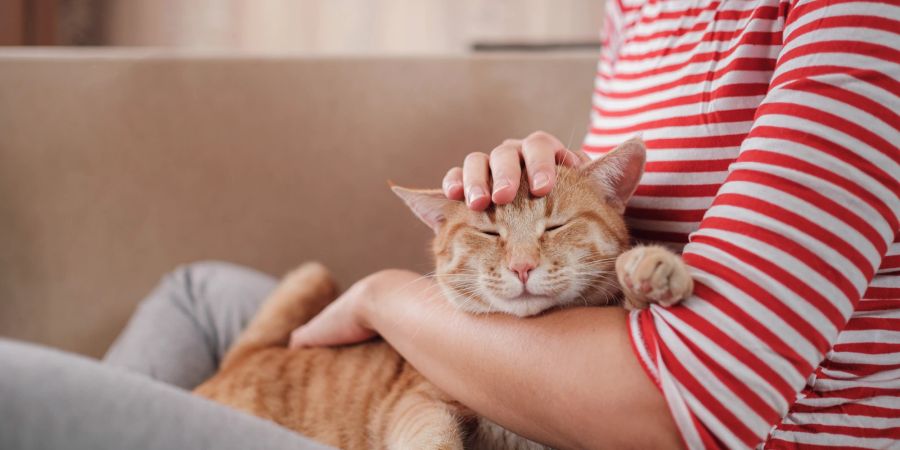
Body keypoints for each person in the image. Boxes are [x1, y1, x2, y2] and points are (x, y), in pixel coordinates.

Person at [2, 0, 896, 449]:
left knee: (16, 388)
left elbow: (687, 398)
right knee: (200, 292)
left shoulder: (859, 18)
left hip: (602, 403)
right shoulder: (641, 8)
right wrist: (547, 170)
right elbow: (612, 205)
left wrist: (388, 299)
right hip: (550, 328)